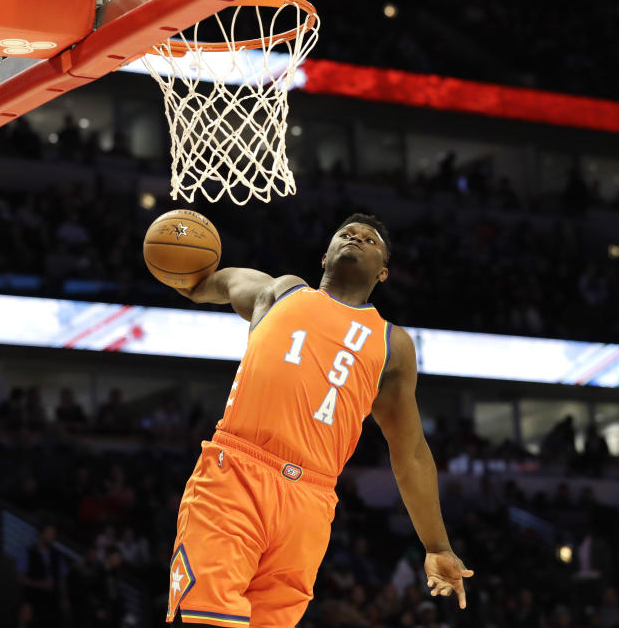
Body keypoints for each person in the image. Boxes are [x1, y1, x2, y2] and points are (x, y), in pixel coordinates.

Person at [165, 214, 473, 627]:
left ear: (383, 272)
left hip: (309, 505)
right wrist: (178, 267)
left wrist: (436, 545)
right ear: (324, 256)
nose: (356, 238)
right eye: (346, 233)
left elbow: (411, 451)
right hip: (236, 474)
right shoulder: (281, 291)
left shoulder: (391, 345)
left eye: (370, 239)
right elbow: (211, 284)